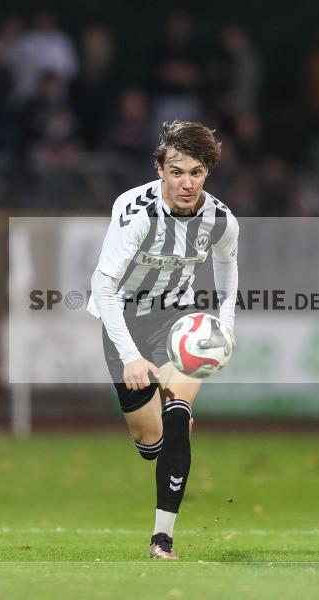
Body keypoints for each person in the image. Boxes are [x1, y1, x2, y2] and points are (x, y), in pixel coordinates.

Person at [87, 121, 239, 559]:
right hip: (123, 319)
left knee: (177, 419)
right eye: (176, 172)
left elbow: (228, 274)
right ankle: (153, 437)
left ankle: (162, 539)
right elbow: (103, 288)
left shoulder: (221, 220)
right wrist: (132, 357)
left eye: (195, 172)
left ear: (207, 171)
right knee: (151, 440)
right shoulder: (135, 214)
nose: (186, 182)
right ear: (160, 170)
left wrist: (224, 326)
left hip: (179, 317)